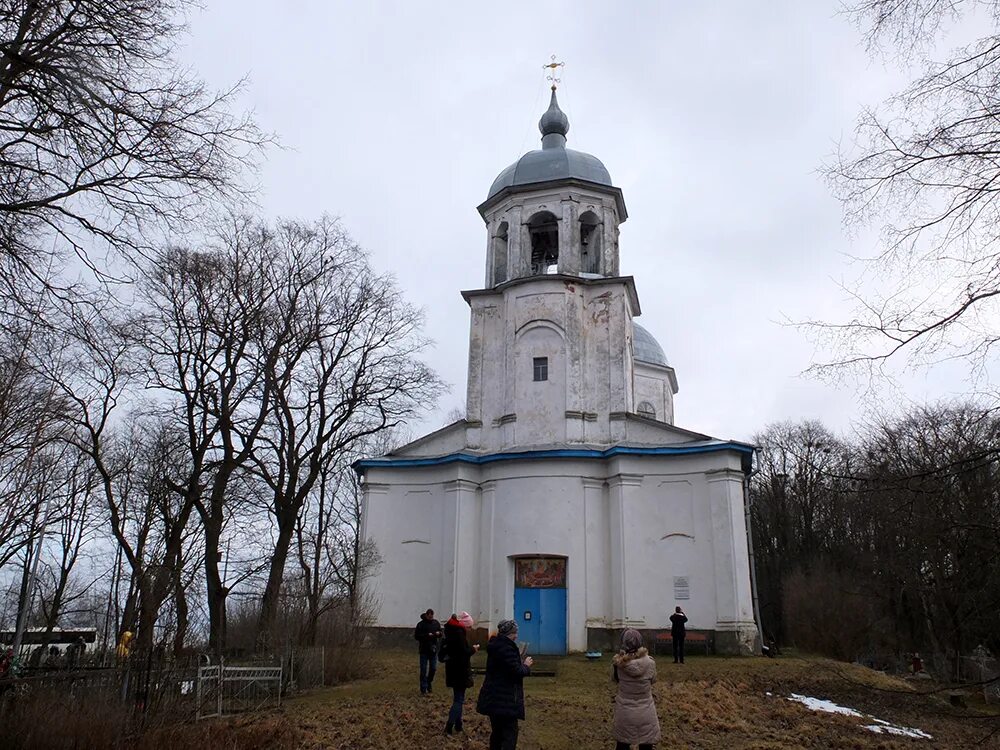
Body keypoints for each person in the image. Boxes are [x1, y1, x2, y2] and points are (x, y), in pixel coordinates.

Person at [476, 619, 533, 750]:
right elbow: (516, 672)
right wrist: (526, 665)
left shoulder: (496, 646)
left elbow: (505, 667)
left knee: (497, 733)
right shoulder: (507, 648)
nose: (517, 635)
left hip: (494, 697)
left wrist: (516, 658)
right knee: (509, 735)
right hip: (505, 700)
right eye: (515, 632)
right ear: (510, 633)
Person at [612, 629, 660, 750]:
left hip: (625, 712)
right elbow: (653, 680)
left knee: (622, 744)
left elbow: (614, 679)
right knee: (647, 744)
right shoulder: (650, 662)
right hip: (646, 711)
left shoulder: (618, 664)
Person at [443, 611, 479, 734]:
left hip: (453, 669)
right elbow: (463, 653)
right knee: (459, 700)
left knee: (458, 698)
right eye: (469, 627)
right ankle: (449, 726)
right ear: (465, 625)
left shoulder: (452, 633)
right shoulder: (459, 635)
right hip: (460, 671)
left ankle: (458, 725)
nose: (470, 629)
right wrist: (473, 649)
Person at [414, 608, 442, 694]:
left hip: (433, 649)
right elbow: (417, 636)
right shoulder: (420, 625)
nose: (431, 617)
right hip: (424, 650)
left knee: (433, 668)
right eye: (429, 616)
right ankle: (423, 688)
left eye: (432, 616)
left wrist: (439, 634)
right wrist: (426, 635)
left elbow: (441, 633)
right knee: (423, 670)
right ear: (426, 615)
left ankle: (429, 681)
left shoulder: (436, 623)